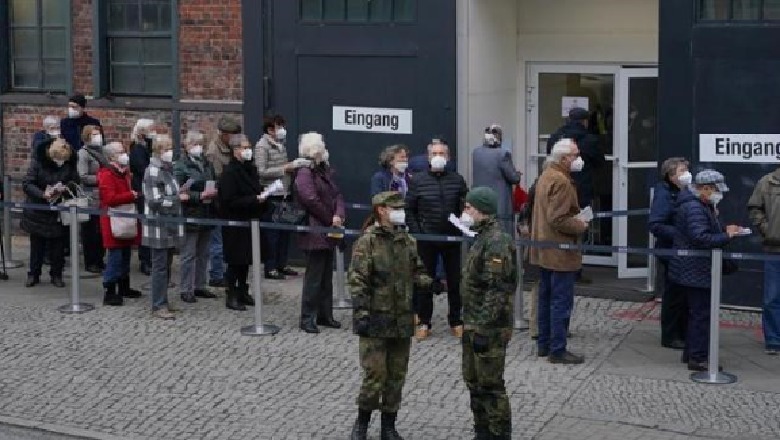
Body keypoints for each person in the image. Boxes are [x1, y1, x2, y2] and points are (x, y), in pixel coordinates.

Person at [347, 191, 432, 440]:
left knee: (396, 376)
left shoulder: (406, 240)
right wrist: (361, 314)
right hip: (375, 318)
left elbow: (416, 269)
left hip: (402, 319)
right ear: (381, 210)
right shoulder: (368, 242)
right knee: (375, 376)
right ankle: (361, 423)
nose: (400, 211)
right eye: (395, 207)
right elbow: (357, 280)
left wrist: (428, 282)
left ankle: (389, 425)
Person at [670, 170, 743, 371]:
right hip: (696, 269)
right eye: (717, 190)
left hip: (693, 268)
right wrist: (727, 236)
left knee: (697, 313)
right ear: (706, 189)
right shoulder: (695, 207)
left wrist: (721, 227)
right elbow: (700, 238)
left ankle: (692, 353)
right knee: (701, 314)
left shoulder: (701, 205)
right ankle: (698, 357)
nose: (720, 195)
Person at [460, 187, 516, 440]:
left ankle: (499, 433)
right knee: (473, 380)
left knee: (491, 384)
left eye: (469, 208)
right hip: (473, 321)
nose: (465, 212)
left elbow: (498, 289)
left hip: (489, 326)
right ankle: (481, 429)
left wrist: (483, 326)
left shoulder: (496, 241)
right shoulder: (481, 236)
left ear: (482, 210)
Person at [530, 139, 589, 364]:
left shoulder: (546, 174)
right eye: (575, 155)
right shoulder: (562, 181)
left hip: (544, 247)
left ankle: (544, 344)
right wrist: (581, 224)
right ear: (564, 158)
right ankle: (557, 349)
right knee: (560, 302)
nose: (578, 159)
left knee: (545, 298)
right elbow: (558, 219)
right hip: (560, 250)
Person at [405, 139, 469, 340]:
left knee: (455, 282)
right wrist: (418, 232)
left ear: (448, 157)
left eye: (442, 153)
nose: (439, 157)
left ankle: (456, 320)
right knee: (424, 283)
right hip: (427, 240)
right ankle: (424, 322)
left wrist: (464, 222)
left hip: (452, 239)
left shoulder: (457, 180)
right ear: (428, 157)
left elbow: (464, 206)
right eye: (435, 153)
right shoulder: (418, 180)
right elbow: (409, 208)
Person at [295, 132, 346, 334]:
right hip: (315, 229)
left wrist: (339, 214)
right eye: (322, 145)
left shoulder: (323, 169)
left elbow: (337, 194)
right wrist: (329, 219)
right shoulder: (305, 173)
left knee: (326, 275)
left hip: (327, 228)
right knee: (314, 276)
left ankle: (325, 314)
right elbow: (310, 200)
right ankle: (308, 316)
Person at [254, 114, 310, 280]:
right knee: (272, 234)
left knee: (284, 232)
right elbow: (261, 171)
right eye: (279, 127)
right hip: (272, 193)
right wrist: (285, 168)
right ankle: (270, 267)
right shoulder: (262, 146)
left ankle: (282, 264)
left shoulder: (280, 144)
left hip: (284, 193)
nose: (282, 130)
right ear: (270, 129)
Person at [21, 138, 80, 288]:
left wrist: (65, 188)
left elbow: (75, 182)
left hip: (59, 209)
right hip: (38, 209)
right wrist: (42, 194)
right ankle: (33, 274)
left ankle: (57, 274)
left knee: (58, 246)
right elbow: (27, 183)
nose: (60, 162)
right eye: (57, 160)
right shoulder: (38, 161)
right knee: (37, 245)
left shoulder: (69, 162)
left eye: (63, 160)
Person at [217, 134, 267, 311]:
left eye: (248, 147)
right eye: (245, 147)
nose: (248, 150)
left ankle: (242, 290)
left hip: (250, 219)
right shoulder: (230, 172)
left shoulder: (249, 168)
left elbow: (255, 188)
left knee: (246, 259)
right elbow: (229, 200)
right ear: (236, 150)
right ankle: (231, 293)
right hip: (235, 222)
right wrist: (254, 199)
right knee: (235, 260)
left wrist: (263, 195)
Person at [648, 157, 691, 350]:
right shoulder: (664, 193)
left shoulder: (684, 191)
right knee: (674, 295)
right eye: (682, 171)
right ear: (671, 175)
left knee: (683, 294)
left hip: (681, 250)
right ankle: (671, 335)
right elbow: (656, 224)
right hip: (671, 250)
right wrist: (681, 234)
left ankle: (682, 332)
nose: (686, 173)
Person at [142, 134, 185, 320]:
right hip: (158, 225)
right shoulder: (152, 171)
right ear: (158, 151)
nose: (169, 152)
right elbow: (154, 201)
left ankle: (164, 301)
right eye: (166, 149)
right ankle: (158, 304)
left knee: (167, 266)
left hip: (170, 224)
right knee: (159, 267)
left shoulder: (169, 169)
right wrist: (177, 199)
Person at [174, 131, 219, 304]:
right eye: (194, 144)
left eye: (200, 144)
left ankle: (200, 285)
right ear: (187, 145)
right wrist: (199, 195)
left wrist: (213, 191)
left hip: (207, 211)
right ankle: (186, 288)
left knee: (203, 252)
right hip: (190, 212)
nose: (198, 147)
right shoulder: (181, 165)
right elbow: (179, 190)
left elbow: (213, 179)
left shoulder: (206, 163)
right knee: (189, 253)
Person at [98, 142, 142, 306]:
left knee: (125, 255)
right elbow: (110, 199)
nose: (124, 154)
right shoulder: (107, 174)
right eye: (120, 152)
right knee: (115, 256)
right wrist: (130, 195)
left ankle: (124, 286)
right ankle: (110, 290)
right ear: (111, 157)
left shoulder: (125, 173)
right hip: (113, 220)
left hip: (126, 218)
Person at [205, 116, 242, 288]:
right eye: (232, 135)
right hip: (218, 202)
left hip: (228, 202)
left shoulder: (229, 147)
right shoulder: (214, 152)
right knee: (217, 242)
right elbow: (217, 177)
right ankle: (216, 274)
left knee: (226, 241)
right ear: (224, 134)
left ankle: (224, 273)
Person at [545, 108, 605, 210]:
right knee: (583, 222)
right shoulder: (590, 140)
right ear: (585, 122)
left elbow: (549, 156)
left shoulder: (555, 137)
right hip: (582, 191)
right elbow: (600, 162)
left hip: (558, 187)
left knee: (560, 218)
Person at [748, 168, 780, 356]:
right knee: (772, 297)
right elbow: (754, 207)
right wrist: (766, 229)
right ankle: (774, 340)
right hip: (774, 249)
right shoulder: (767, 182)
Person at [472, 124, 521, 235]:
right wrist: (517, 174)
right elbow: (514, 178)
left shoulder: (476, 153)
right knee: (502, 234)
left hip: (480, 202)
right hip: (500, 204)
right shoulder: (503, 154)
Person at [77, 124, 108, 273]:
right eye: (94, 134)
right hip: (90, 196)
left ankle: (100, 259)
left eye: (98, 134)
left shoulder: (103, 151)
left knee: (101, 230)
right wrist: (101, 178)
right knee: (90, 231)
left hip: (102, 196)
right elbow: (82, 176)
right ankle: (91, 261)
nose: (98, 137)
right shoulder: (83, 153)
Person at [129, 118, 157, 275]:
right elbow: (142, 169)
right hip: (142, 190)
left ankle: (150, 257)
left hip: (149, 189)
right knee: (145, 225)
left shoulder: (148, 146)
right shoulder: (137, 149)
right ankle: (145, 259)